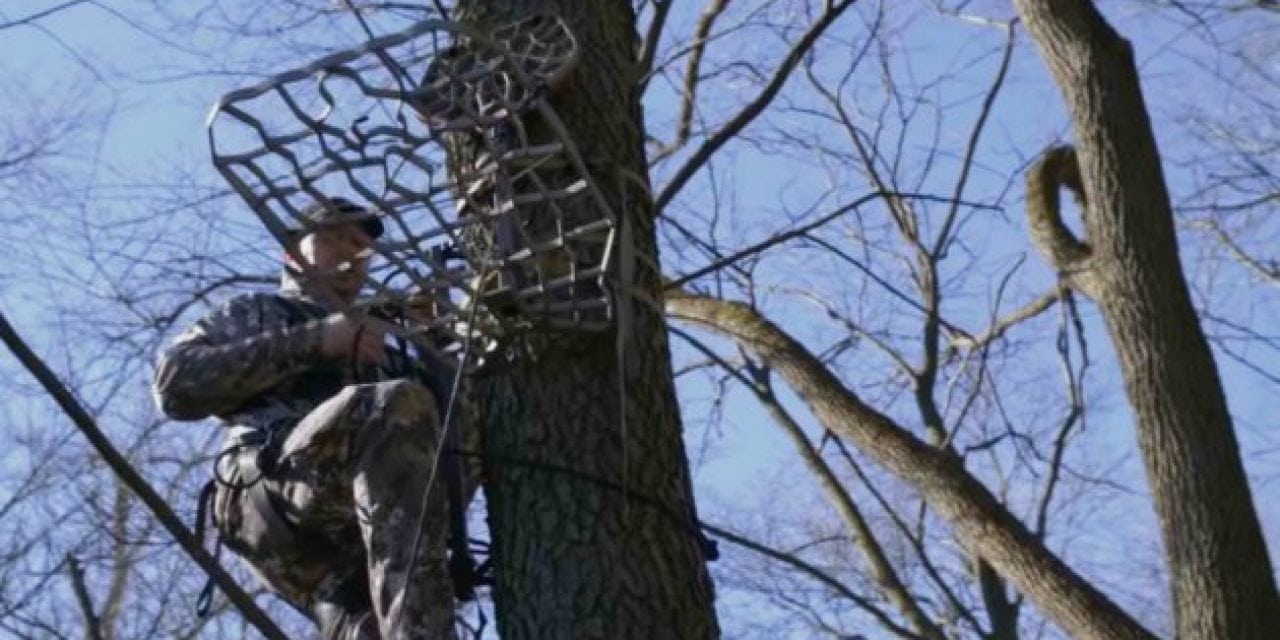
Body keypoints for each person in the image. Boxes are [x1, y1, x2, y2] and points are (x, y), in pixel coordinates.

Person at [153, 197, 459, 639]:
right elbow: (174, 384)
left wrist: (439, 345)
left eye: (360, 246)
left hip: (355, 550)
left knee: (367, 629)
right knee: (397, 404)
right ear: (292, 253)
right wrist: (317, 340)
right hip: (272, 495)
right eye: (334, 238)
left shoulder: (387, 356)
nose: (351, 253)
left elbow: (453, 451)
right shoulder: (258, 313)